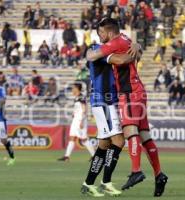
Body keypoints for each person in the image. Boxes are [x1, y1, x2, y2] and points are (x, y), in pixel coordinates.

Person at [86, 18, 168, 197]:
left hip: (129, 92)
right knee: (145, 136)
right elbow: (131, 55)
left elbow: (91, 55)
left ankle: (136, 170)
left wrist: (105, 54)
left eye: (101, 33)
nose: (99, 37)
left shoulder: (113, 43)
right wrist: (136, 47)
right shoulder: (125, 39)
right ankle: (159, 174)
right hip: (139, 91)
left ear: (108, 32)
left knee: (129, 132)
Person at [81, 44, 126, 197]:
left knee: (104, 144)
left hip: (104, 102)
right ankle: (106, 182)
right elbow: (92, 54)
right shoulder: (99, 49)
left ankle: (88, 183)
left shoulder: (102, 51)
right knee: (119, 141)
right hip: (104, 102)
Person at [58, 83, 95, 161]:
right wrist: (74, 113)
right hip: (76, 120)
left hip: (80, 120)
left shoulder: (81, 97)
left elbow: (84, 109)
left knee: (84, 139)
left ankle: (95, 156)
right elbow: (79, 108)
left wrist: (81, 120)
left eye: (73, 88)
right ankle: (66, 156)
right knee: (72, 137)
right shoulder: (76, 98)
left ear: (77, 89)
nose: (72, 90)